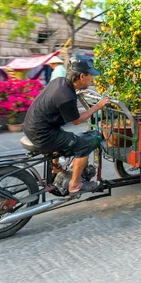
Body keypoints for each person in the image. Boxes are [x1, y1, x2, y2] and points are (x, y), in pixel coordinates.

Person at [23, 55, 110, 194]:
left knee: (62, 133)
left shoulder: (59, 82)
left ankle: (56, 168)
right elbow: (77, 121)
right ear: (82, 76)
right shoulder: (66, 96)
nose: (92, 79)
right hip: (43, 135)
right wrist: (97, 107)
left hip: (32, 128)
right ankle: (75, 185)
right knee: (83, 145)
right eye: (90, 75)